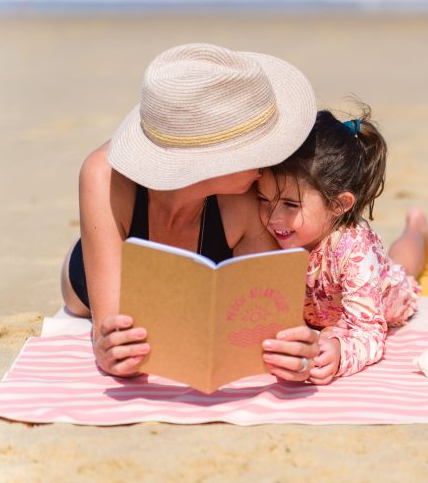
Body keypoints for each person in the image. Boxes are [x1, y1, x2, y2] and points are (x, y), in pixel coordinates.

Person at [60, 43, 321, 382]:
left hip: (201, 266)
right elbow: (107, 334)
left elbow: (270, 327)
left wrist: (295, 354)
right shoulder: (105, 177)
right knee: (81, 303)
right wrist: (108, 348)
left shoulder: (247, 197)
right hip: (101, 267)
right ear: (209, 161)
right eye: (259, 146)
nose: (272, 158)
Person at [256, 106, 428, 385]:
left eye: (290, 205)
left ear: (339, 204)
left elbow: (368, 332)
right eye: (263, 200)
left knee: (403, 270)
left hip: (386, 296)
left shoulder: (354, 248)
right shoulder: (280, 229)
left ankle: (417, 227)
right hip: (327, 314)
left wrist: (341, 353)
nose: (272, 216)